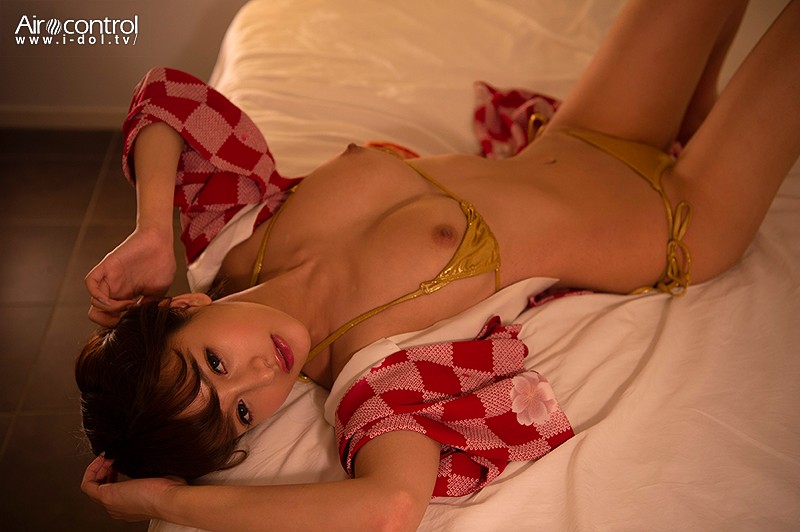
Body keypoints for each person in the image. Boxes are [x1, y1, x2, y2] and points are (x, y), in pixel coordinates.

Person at [79, 0, 800, 529]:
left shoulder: (236, 230)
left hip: (583, 134)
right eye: (241, 413)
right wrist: (170, 502)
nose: (263, 375)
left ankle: (693, 113)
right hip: (678, 217)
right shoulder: (372, 374)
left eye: (215, 362)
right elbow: (388, 508)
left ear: (185, 306)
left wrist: (153, 231)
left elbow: (166, 97)